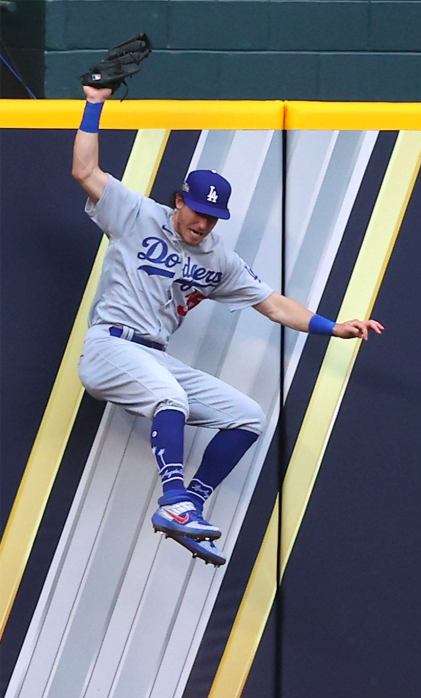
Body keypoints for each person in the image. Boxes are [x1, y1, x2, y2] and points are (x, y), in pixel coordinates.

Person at [72, 85, 383, 566]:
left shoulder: (220, 259)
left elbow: (275, 306)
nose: (203, 223)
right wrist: (94, 105)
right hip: (109, 346)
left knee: (248, 416)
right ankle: (174, 502)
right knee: (169, 397)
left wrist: (333, 327)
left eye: (214, 217)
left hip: (153, 355)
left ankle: (190, 502)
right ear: (179, 200)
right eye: (198, 211)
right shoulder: (136, 215)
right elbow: (85, 171)